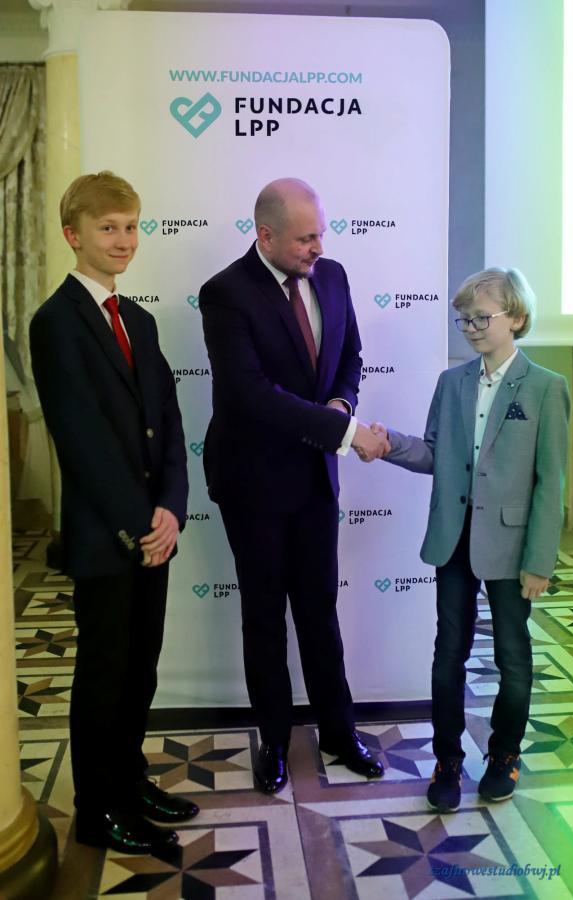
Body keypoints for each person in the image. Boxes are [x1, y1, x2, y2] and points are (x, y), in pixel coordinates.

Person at [199, 178, 388, 793]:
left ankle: (339, 732)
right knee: (264, 618)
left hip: (314, 480)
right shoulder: (224, 293)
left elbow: (351, 356)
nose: (318, 247)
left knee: (319, 612)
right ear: (266, 235)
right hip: (252, 482)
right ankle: (275, 742)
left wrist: (341, 402)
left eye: (320, 234)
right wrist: (344, 431)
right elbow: (250, 394)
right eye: (306, 238)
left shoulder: (332, 276)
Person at [29, 171, 198, 854]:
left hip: (154, 530)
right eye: (108, 228)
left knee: (141, 668)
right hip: (109, 537)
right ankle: (98, 808)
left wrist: (172, 510)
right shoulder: (56, 323)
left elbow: (169, 422)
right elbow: (81, 439)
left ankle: (129, 781)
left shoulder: (140, 320)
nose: (123, 240)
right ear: (73, 235)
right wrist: (139, 526)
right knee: (104, 673)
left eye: (130, 227)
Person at [368, 267, 569, 811]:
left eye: (482, 318)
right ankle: (448, 760)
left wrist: (540, 560)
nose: (472, 328)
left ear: (516, 318)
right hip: (453, 539)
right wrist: (389, 444)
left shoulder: (546, 387)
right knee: (447, 654)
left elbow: (551, 481)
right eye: (464, 320)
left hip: (511, 546)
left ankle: (504, 755)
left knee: (512, 656)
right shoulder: (451, 383)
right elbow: (435, 453)